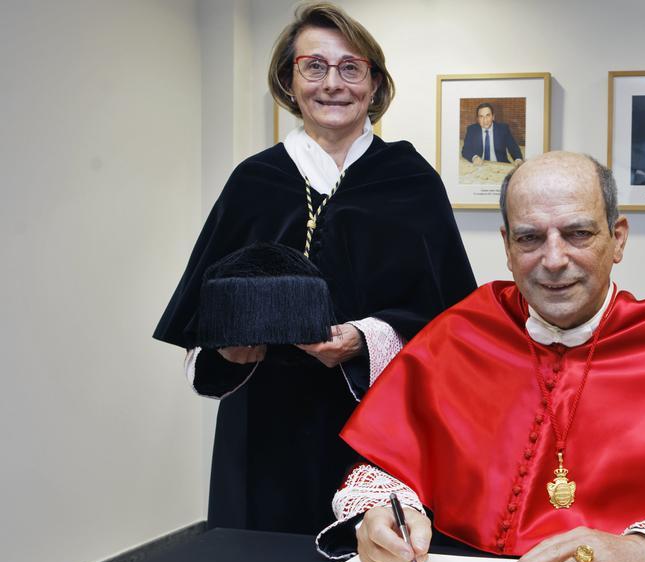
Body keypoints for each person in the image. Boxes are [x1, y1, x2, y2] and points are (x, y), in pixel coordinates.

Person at [316, 151, 645, 562]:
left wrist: (642, 547)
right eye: (529, 238)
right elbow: (382, 467)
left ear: (618, 238)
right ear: (507, 247)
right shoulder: (461, 330)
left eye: (578, 233)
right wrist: (378, 516)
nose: (553, 260)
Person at [153, 2, 476, 535]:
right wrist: (227, 350)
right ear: (289, 78)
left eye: (351, 68)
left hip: (381, 429)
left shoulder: (411, 181)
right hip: (265, 429)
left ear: (374, 84)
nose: (333, 84)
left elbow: (450, 322)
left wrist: (365, 338)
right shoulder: (253, 182)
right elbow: (203, 322)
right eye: (315, 66)